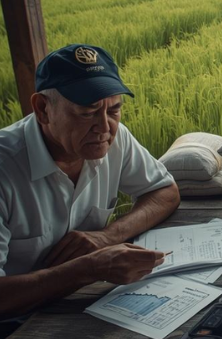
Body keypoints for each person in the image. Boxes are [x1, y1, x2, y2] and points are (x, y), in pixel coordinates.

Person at [0, 44, 179, 321]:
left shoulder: (114, 139)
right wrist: (87, 269)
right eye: (87, 112)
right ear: (43, 109)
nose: (105, 127)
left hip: (86, 303)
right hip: (15, 326)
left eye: (114, 110)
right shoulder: (5, 168)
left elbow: (164, 191)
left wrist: (107, 237)